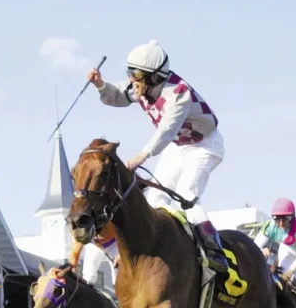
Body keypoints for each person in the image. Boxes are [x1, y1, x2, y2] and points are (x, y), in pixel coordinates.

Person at [87, 40, 228, 273]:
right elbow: (118, 96)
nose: (131, 78)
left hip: (204, 145)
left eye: (136, 73)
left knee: (185, 196)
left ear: (153, 77)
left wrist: (142, 156)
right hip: (178, 146)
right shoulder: (142, 87)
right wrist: (100, 84)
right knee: (154, 199)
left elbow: (166, 130)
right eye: (129, 72)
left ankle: (215, 251)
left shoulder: (178, 93)